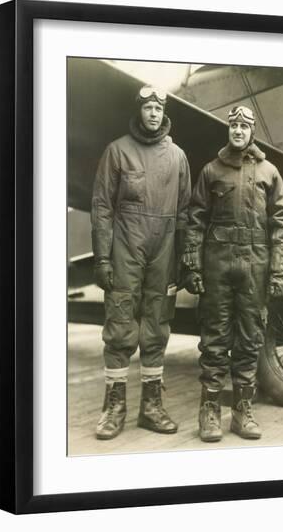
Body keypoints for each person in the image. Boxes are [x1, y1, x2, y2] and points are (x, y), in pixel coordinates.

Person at [182, 105, 283, 442]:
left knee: (249, 340)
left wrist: (279, 272)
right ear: (228, 130)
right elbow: (195, 221)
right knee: (214, 341)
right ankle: (210, 410)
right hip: (218, 268)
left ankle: (242, 411)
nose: (239, 131)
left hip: (255, 269)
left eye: (244, 126)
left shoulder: (270, 173)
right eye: (234, 126)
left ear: (252, 131)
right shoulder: (212, 171)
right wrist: (193, 266)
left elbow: (282, 226)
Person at [91, 85, 191, 440]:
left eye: (158, 107)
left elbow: (184, 214)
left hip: (163, 253)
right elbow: (102, 208)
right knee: (119, 326)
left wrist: (184, 260)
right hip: (125, 251)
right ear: (139, 111)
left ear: (164, 113)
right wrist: (102, 256)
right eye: (147, 107)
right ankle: (113, 408)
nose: (152, 113)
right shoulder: (117, 152)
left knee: (157, 325)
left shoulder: (178, 157)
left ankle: (151, 407)